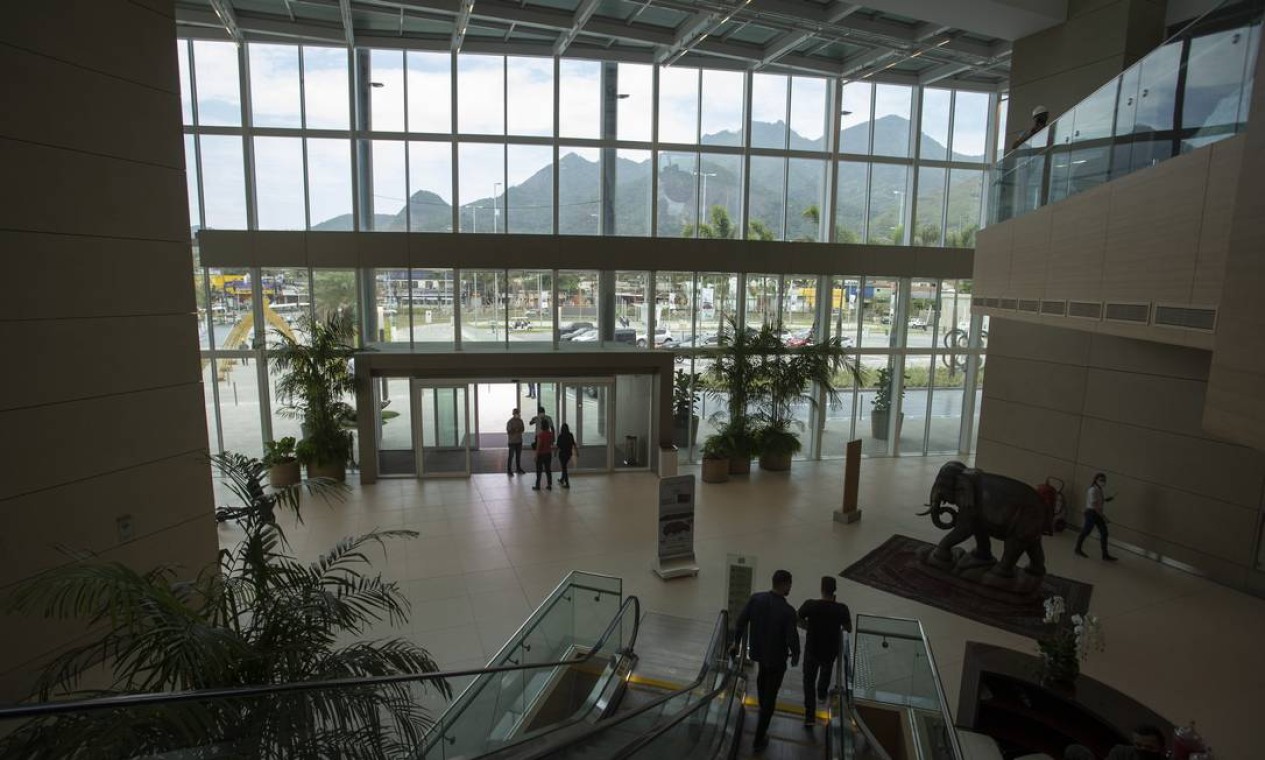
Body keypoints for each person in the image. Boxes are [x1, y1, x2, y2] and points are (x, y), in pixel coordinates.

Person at [731, 570, 800, 752]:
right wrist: (796, 655)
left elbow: (740, 621)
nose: (790, 588)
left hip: (759, 655)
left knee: (762, 682)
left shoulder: (756, 599)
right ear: (784, 584)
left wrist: (736, 643)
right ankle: (759, 737)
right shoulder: (788, 611)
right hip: (777, 660)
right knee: (771, 696)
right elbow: (792, 638)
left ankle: (763, 710)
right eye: (790, 584)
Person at [797, 576, 851, 728]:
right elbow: (849, 628)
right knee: (826, 673)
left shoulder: (810, 605)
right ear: (834, 590)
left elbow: (797, 618)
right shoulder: (841, 609)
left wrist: (809, 627)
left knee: (808, 681)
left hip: (812, 650)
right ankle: (821, 694)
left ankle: (809, 716)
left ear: (821, 589)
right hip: (830, 651)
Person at [1075, 472, 1118, 561]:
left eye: (1104, 480)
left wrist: (1107, 499)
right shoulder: (1092, 490)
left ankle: (1105, 555)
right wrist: (1104, 517)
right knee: (1086, 531)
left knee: (1104, 533)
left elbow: (1098, 501)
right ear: (1096, 480)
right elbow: (1094, 506)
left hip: (1096, 513)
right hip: (1092, 513)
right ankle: (1077, 549)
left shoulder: (1098, 489)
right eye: (1101, 480)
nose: (1103, 482)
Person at [532, 419, 555, 491]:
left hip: (541, 454)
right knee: (548, 469)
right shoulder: (550, 434)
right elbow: (551, 443)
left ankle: (537, 485)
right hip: (548, 453)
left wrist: (536, 455)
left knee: (539, 470)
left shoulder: (540, 435)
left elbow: (538, 446)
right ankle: (549, 485)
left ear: (542, 426)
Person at [505, 408, 526, 476]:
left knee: (518, 456)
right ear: (513, 414)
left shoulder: (520, 421)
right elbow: (508, 431)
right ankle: (509, 470)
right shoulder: (510, 422)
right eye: (516, 413)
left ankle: (518, 468)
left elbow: (523, 429)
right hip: (512, 442)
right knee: (511, 456)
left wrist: (518, 429)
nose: (517, 414)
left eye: (518, 413)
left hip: (519, 441)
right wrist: (515, 430)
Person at [556, 422, 577, 489]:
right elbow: (574, 444)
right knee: (564, 466)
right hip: (568, 454)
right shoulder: (570, 435)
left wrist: (555, 453)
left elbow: (558, 446)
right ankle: (562, 479)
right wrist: (577, 451)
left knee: (564, 467)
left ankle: (567, 483)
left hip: (562, 454)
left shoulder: (560, 436)